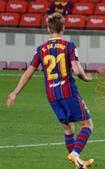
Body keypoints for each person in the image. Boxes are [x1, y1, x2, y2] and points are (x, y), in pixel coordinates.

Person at [7, 13, 93, 169]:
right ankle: (75, 155)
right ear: (63, 28)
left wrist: (15, 92)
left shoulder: (41, 49)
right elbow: (76, 70)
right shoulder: (69, 46)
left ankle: (77, 163)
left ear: (48, 28)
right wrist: (86, 78)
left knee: (68, 129)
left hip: (52, 94)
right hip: (68, 91)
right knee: (87, 125)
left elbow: (28, 72)